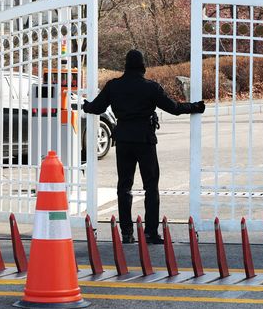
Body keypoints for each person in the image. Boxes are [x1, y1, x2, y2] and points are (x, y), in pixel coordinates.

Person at [82, 49, 205, 244]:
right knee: (151, 186)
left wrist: (85, 105)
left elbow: (96, 108)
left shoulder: (114, 86)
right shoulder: (150, 87)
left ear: (125, 65)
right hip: (145, 140)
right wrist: (195, 107)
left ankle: (127, 233)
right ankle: (150, 233)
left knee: (124, 186)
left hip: (123, 140)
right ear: (142, 66)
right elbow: (173, 108)